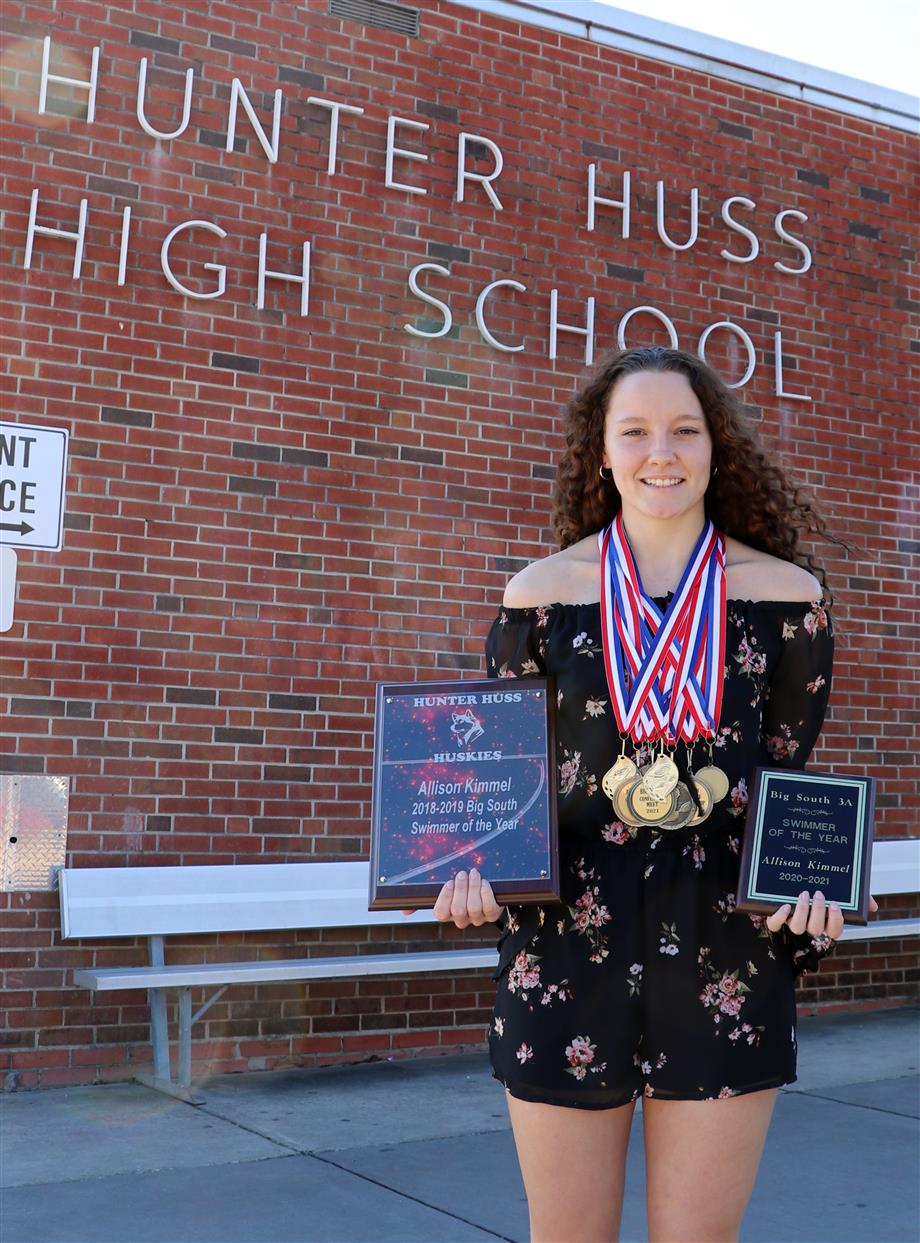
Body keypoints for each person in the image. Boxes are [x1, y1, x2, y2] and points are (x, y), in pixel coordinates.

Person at [403, 345, 876, 1243]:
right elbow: (505, 793)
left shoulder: (789, 602)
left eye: (685, 430)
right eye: (637, 431)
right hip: (565, 954)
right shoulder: (537, 599)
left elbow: (785, 788)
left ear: (715, 448)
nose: (662, 451)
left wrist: (811, 892)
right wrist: (471, 874)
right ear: (604, 453)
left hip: (726, 954)